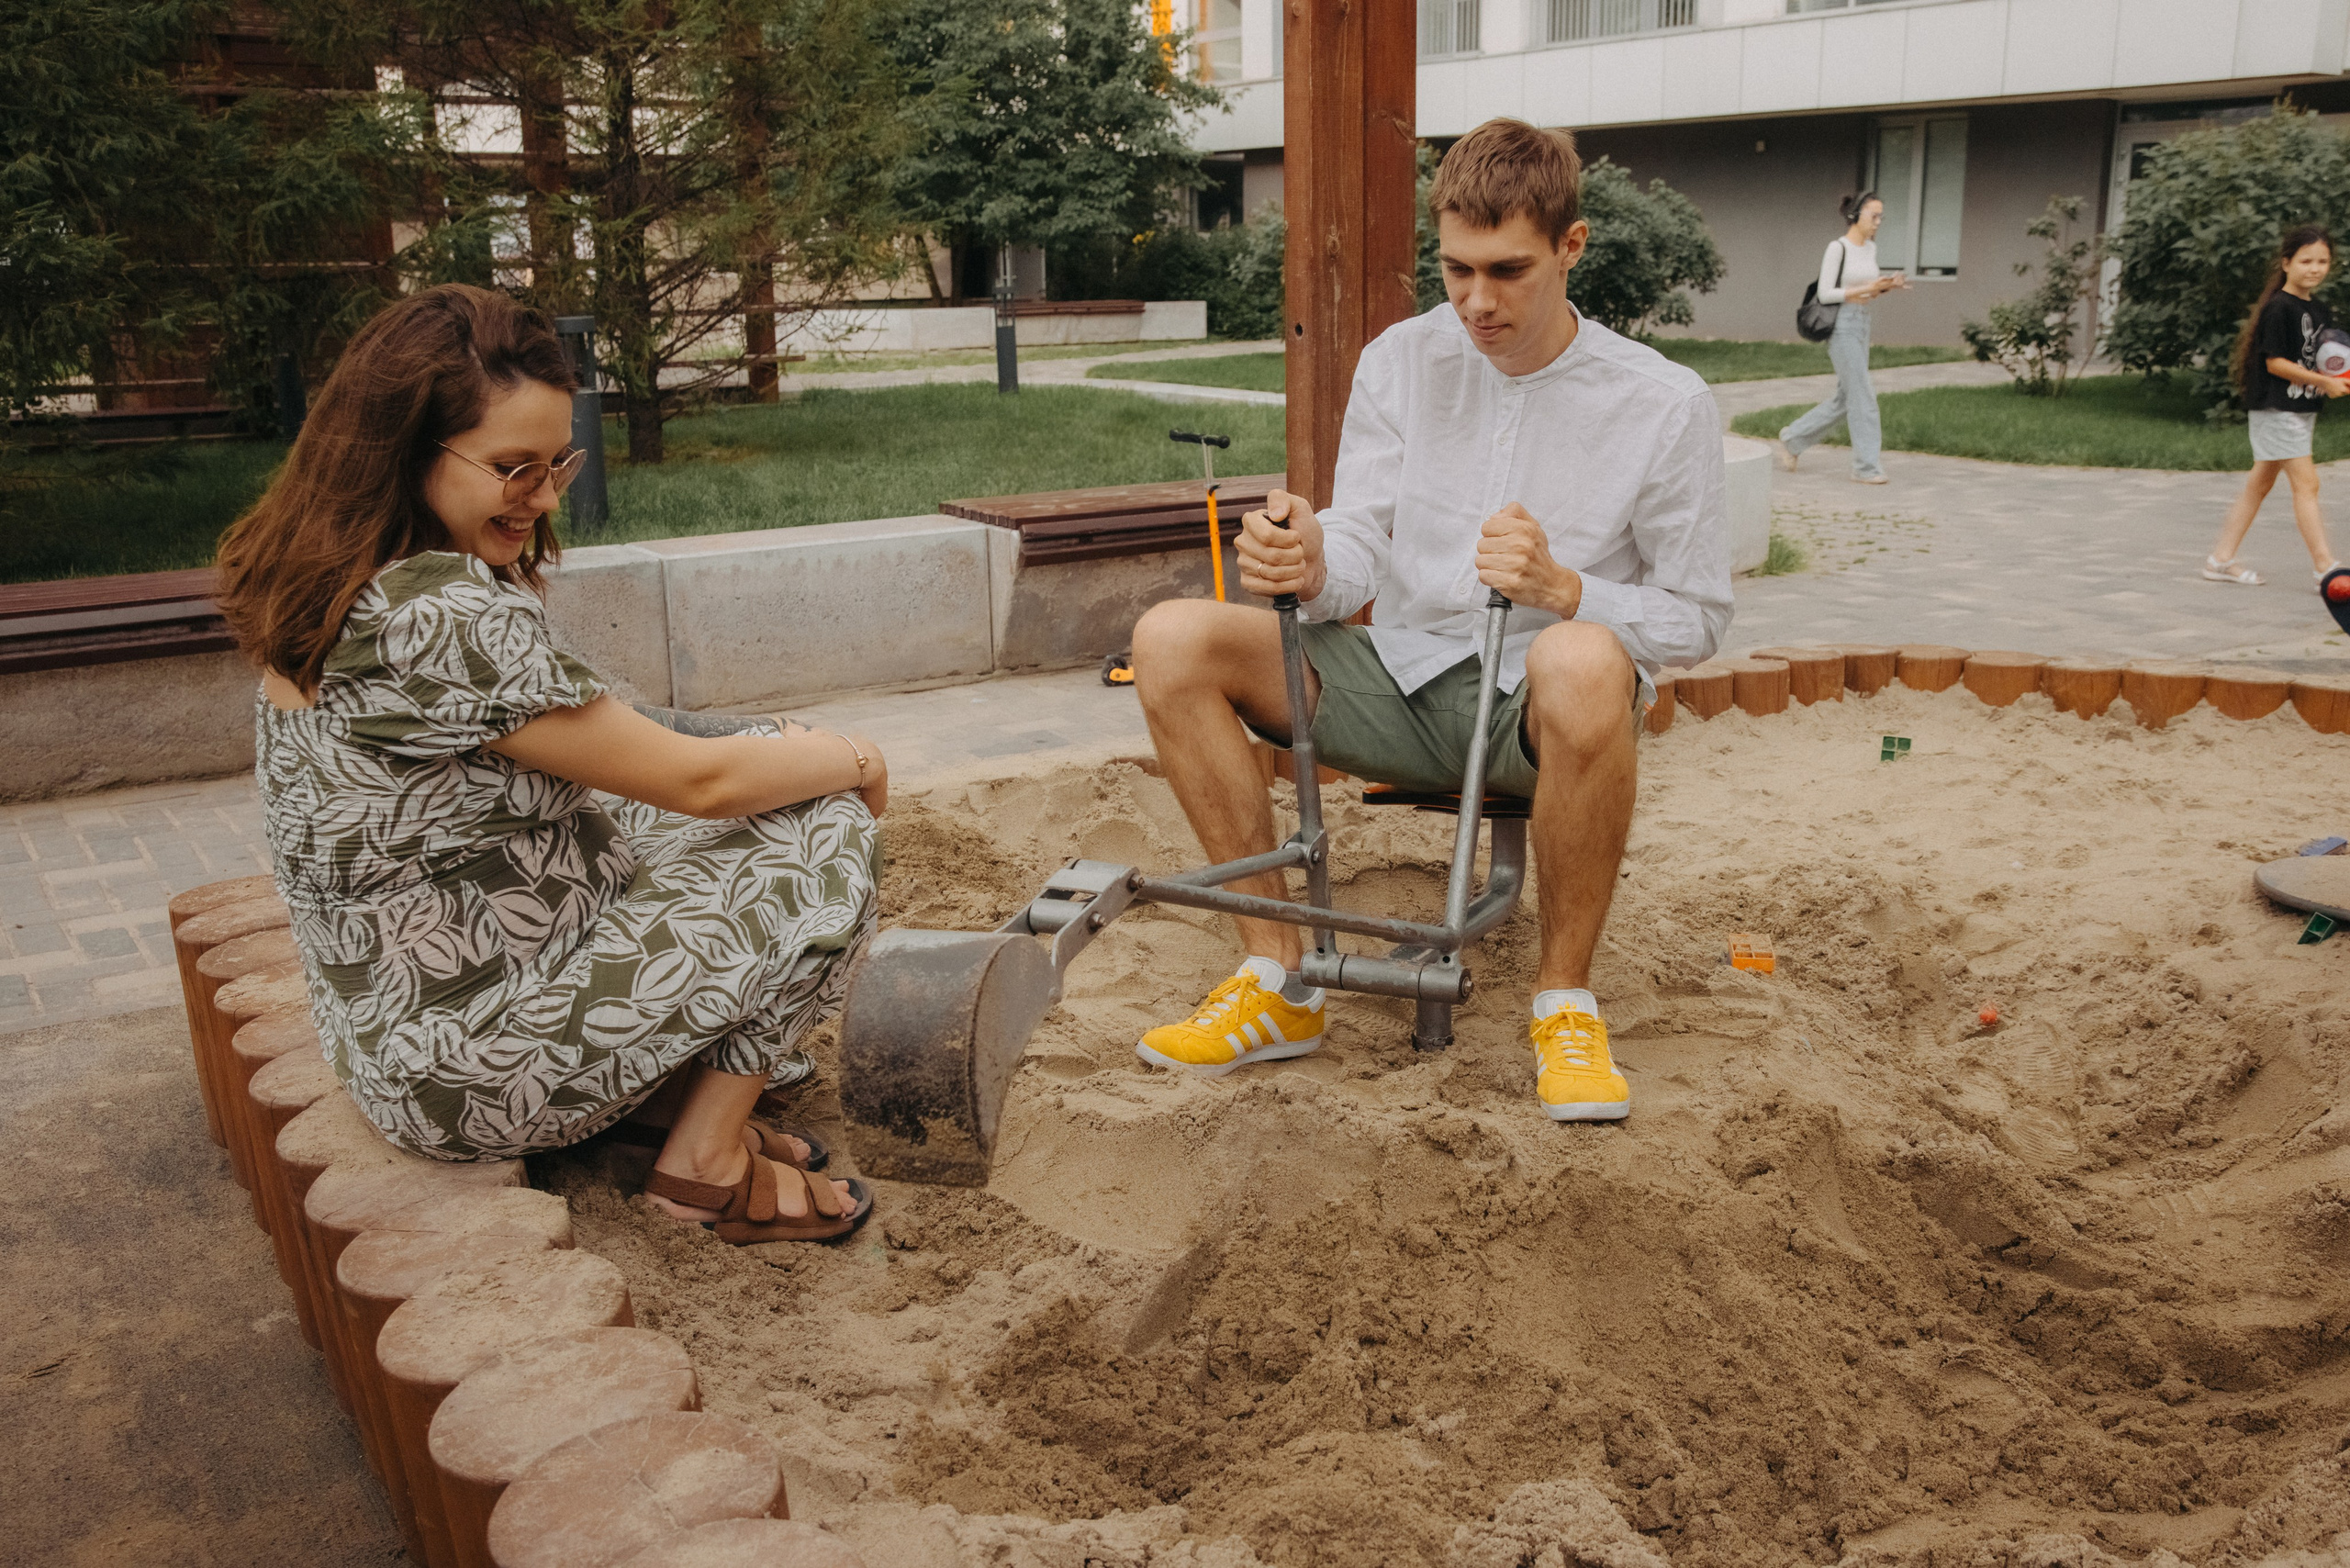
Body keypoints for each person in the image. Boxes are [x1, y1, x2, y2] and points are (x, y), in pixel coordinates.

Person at [215, 284, 882, 1245]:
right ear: (406, 451)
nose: (543, 497)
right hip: (476, 1062)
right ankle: (702, 1164)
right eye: (512, 467)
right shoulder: (439, 616)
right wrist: (853, 756)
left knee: (759, 793)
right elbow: (702, 781)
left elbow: (630, 723)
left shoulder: (351, 580)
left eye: (555, 462)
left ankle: (654, 1102)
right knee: (823, 835)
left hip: (413, 1035)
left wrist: (785, 737)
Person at [1126, 118, 1730, 1123]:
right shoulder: (1401, 359)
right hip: (1396, 679)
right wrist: (1311, 556)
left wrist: (1567, 590)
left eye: (1509, 271)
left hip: (1541, 713)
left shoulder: (1664, 403)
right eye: (1455, 268)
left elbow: (1698, 617)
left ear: (1571, 248)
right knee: (1170, 637)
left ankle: (1565, 1002)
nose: (1477, 303)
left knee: (1582, 656)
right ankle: (1279, 981)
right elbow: (1361, 539)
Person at [2202, 224, 2347, 587]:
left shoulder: (2319, 309)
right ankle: (2325, 568)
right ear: (2286, 262)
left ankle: (2220, 560)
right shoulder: (2278, 308)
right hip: (2275, 409)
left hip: (2300, 409)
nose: (2314, 268)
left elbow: (2323, 357)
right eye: (2306, 261)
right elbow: (2275, 363)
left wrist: (2336, 378)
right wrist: (2322, 382)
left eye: (2322, 261)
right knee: (2307, 484)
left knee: (2259, 485)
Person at [1772, 192, 1909, 486]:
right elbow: (1825, 293)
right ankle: (1866, 467)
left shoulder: (1870, 249)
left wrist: (1885, 286)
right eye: (1873, 216)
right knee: (1863, 395)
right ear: (1855, 216)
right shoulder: (1838, 248)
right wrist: (1867, 288)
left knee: (1846, 398)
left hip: (1862, 321)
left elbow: (1867, 291)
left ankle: (1793, 438)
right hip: (1842, 324)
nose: (1878, 222)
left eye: (1881, 216)